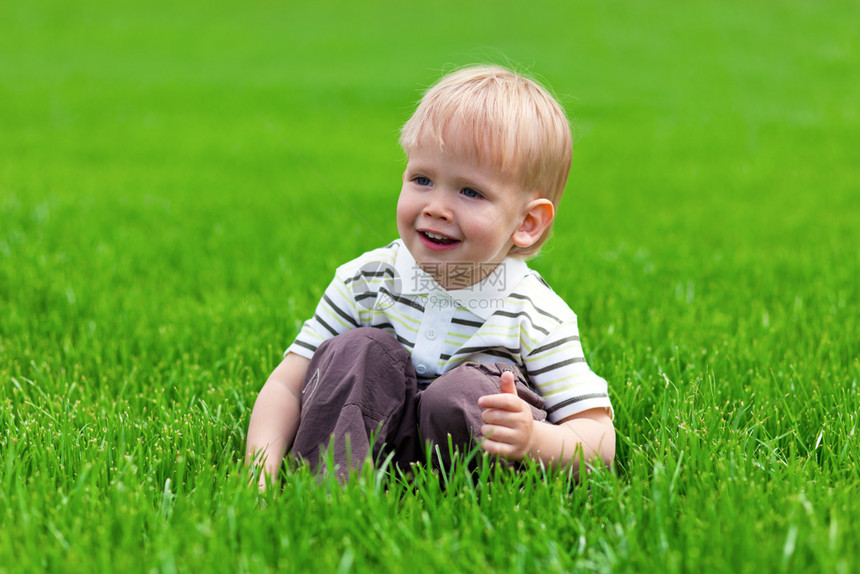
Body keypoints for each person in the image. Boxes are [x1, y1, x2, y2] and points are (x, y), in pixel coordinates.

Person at [245, 65, 615, 486]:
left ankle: (464, 502)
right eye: (422, 179)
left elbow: (599, 439)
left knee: (463, 393)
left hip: (468, 474)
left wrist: (535, 440)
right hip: (368, 451)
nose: (436, 206)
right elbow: (288, 385)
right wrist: (260, 470)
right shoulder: (365, 281)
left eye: (470, 191)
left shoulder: (536, 314)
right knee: (358, 350)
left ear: (527, 222)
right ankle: (328, 489)